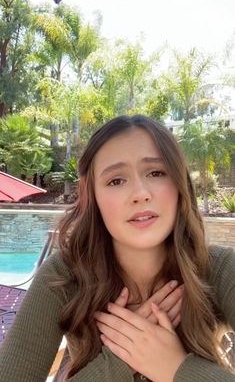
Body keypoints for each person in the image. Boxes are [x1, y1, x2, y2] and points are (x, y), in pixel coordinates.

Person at [0, 114, 235, 382]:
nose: (140, 193)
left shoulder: (219, 268)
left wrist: (173, 367)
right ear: (93, 198)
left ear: (180, 184)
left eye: (156, 172)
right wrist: (119, 361)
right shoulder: (64, 277)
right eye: (115, 181)